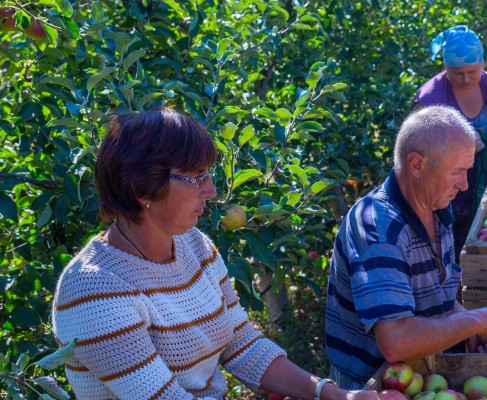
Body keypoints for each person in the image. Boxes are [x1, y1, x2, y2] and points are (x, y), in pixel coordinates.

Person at [50, 107, 377, 399]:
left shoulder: (194, 245)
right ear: (140, 188)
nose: (211, 190)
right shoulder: (94, 290)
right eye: (195, 178)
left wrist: (328, 393)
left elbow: (240, 343)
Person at [325, 106, 487, 389]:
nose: (464, 185)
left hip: (422, 377)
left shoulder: (437, 207)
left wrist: (461, 320)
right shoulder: (379, 229)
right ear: (416, 165)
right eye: (457, 172)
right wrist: (474, 322)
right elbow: (396, 341)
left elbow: (431, 294)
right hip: (371, 387)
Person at [412, 24, 487, 256]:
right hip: (445, 200)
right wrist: (459, 146)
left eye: (472, 71)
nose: (465, 78)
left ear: (482, 64)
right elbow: (414, 150)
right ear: (445, 67)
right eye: (457, 72)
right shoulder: (431, 97)